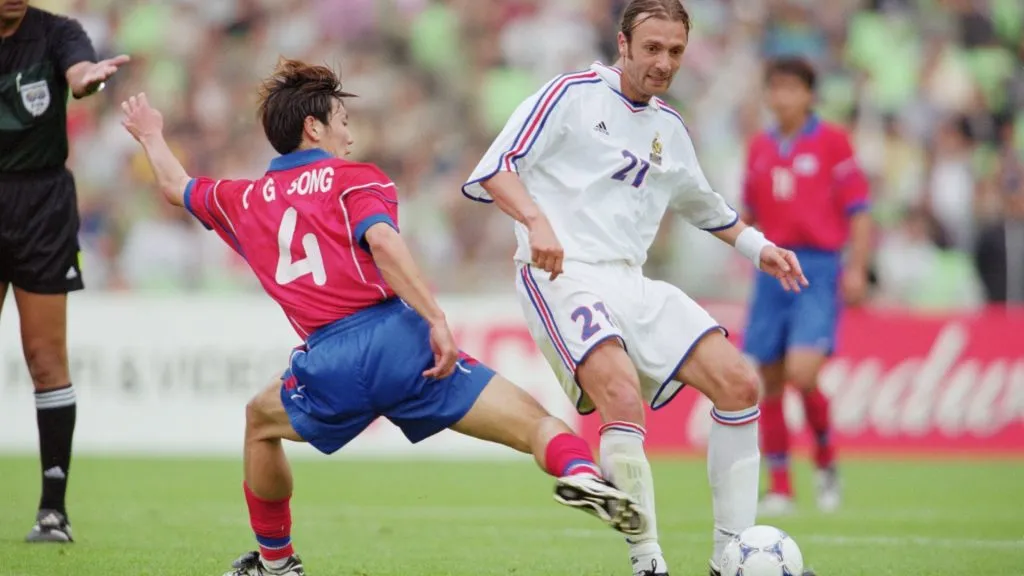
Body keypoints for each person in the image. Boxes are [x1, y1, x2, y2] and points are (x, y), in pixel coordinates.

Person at [120, 58, 645, 576]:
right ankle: (580, 472)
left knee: (260, 423)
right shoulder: (356, 179)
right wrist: (436, 318)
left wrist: (150, 134)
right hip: (402, 343)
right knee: (534, 423)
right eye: (343, 123)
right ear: (313, 127)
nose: (350, 135)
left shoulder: (243, 198)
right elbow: (384, 242)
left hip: (329, 360)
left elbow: (175, 186)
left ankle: (276, 564)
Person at [462, 2, 811, 575]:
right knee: (621, 395)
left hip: (632, 279)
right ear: (622, 44)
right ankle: (647, 561)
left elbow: (705, 206)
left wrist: (759, 248)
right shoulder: (569, 95)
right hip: (562, 273)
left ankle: (731, 556)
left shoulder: (669, 128)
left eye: (675, 50)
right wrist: (536, 220)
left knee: (740, 383)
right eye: (652, 48)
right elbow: (494, 169)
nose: (664, 61)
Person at [0, 0, 129, 543]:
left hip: (41, 204)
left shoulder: (58, 32)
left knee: (46, 356)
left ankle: (53, 511)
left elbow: (79, 74)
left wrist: (89, 80)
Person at [741, 57, 872, 517]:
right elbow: (750, 214)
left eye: (791, 88)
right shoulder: (758, 146)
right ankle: (780, 487)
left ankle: (825, 459)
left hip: (816, 268)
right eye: (774, 88)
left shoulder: (834, 142)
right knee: (769, 381)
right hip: (771, 268)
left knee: (803, 372)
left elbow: (859, 210)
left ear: (809, 94)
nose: (781, 97)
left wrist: (856, 268)